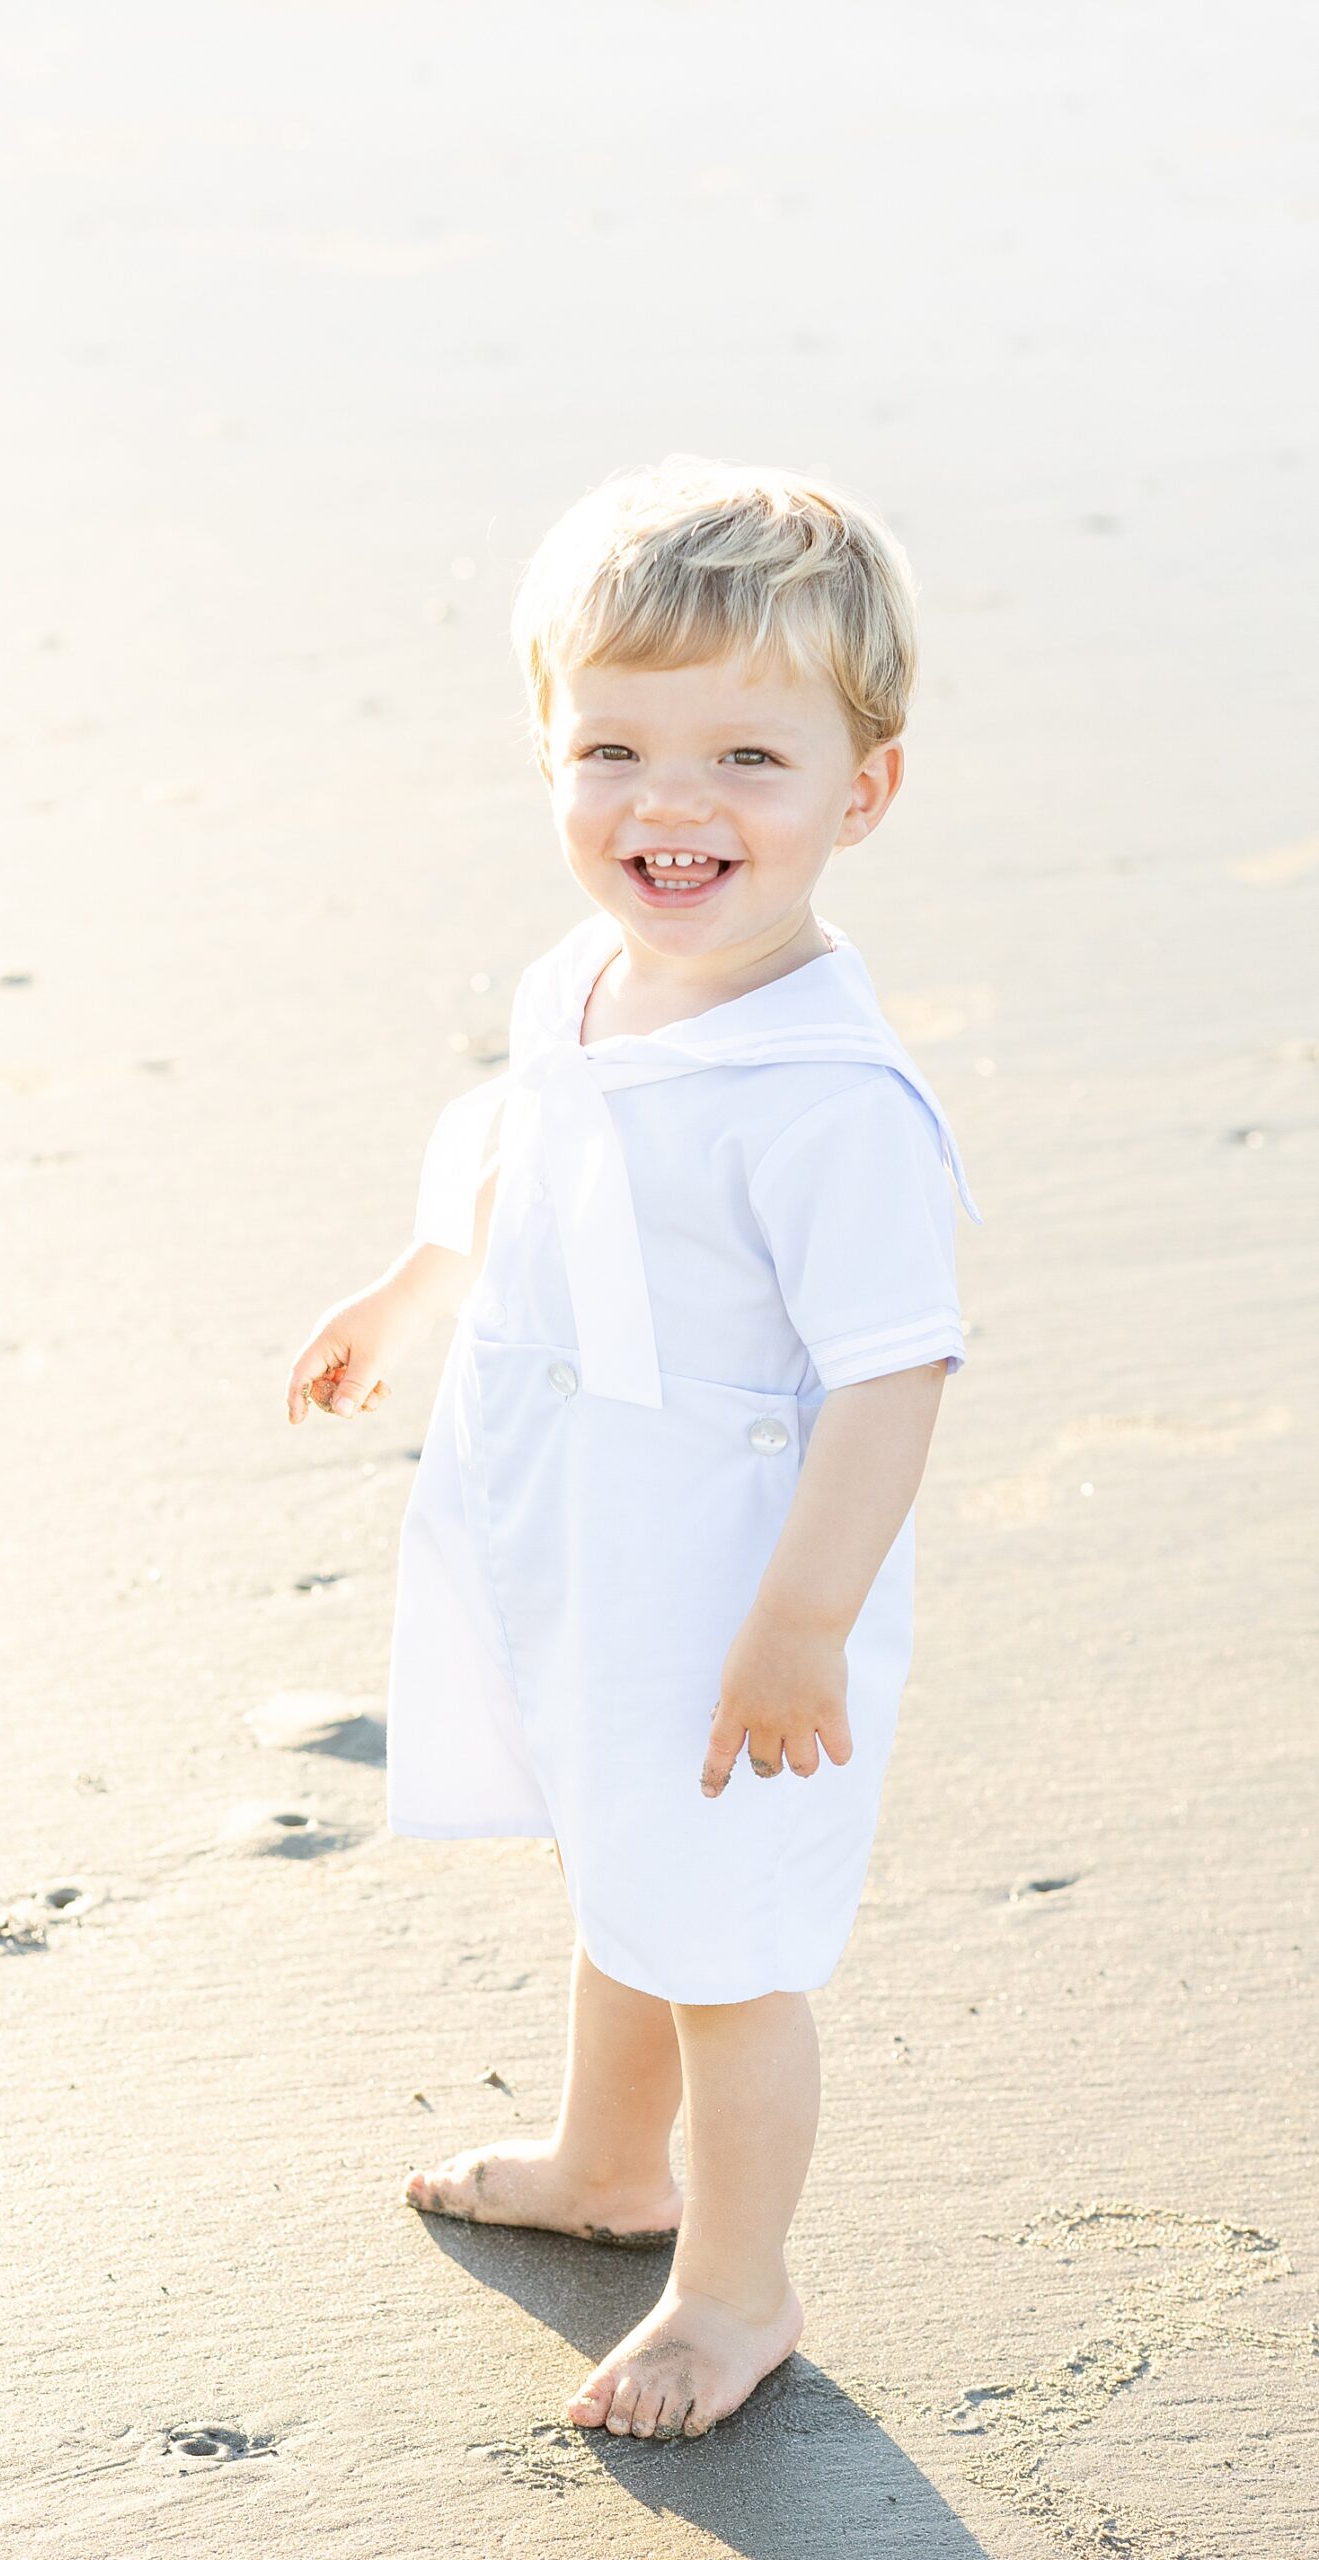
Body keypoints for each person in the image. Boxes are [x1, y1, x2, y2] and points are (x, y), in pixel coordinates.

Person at [285, 458, 981, 2443]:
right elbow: (522, 1139)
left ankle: (735, 2279)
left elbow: (890, 1376)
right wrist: (413, 1286)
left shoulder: (828, 1101)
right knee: (616, 1857)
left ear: (863, 790)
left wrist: (799, 1626)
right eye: (611, 746)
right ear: (544, 754)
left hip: (737, 1573)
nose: (667, 804)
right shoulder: (580, 972)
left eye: (745, 754)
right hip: (574, 1512)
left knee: (728, 1945)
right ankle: (609, 2158)